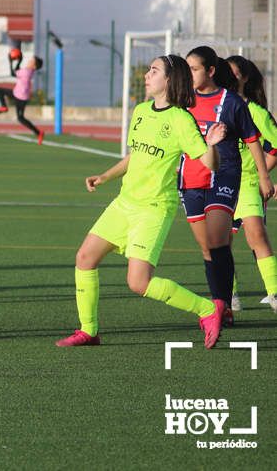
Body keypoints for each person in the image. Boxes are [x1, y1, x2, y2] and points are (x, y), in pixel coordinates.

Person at [56, 55, 226, 348]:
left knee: (138, 283)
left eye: (154, 70)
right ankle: (89, 330)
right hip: (125, 203)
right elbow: (135, 155)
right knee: (85, 258)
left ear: (170, 80)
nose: (147, 75)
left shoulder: (181, 119)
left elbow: (211, 164)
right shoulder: (141, 111)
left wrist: (211, 145)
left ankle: (208, 310)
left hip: (153, 209)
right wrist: (104, 176)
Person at [180, 46, 273, 326]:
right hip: (194, 180)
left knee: (227, 240)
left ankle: (227, 304)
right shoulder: (183, 101)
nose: (189, 74)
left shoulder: (232, 102)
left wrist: (264, 175)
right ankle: (225, 301)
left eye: (194, 69)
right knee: (209, 245)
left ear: (210, 71)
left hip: (227, 176)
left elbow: (253, 140)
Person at [225, 55, 277, 313]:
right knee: (221, 242)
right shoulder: (217, 108)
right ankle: (229, 295)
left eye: (235, 74)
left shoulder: (255, 112)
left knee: (256, 235)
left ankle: (274, 293)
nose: (231, 78)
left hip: (247, 184)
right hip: (221, 184)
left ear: (245, 78)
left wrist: (262, 174)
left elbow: (276, 145)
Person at [0, 55, 44, 144]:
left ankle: (4, 106)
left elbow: (13, 73)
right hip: (18, 94)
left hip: (20, 97)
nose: (29, 61)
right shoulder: (29, 71)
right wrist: (19, 61)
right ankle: (39, 133)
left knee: (0, 91)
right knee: (20, 118)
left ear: (34, 66)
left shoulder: (26, 71)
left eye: (31, 61)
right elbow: (17, 71)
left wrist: (11, 62)